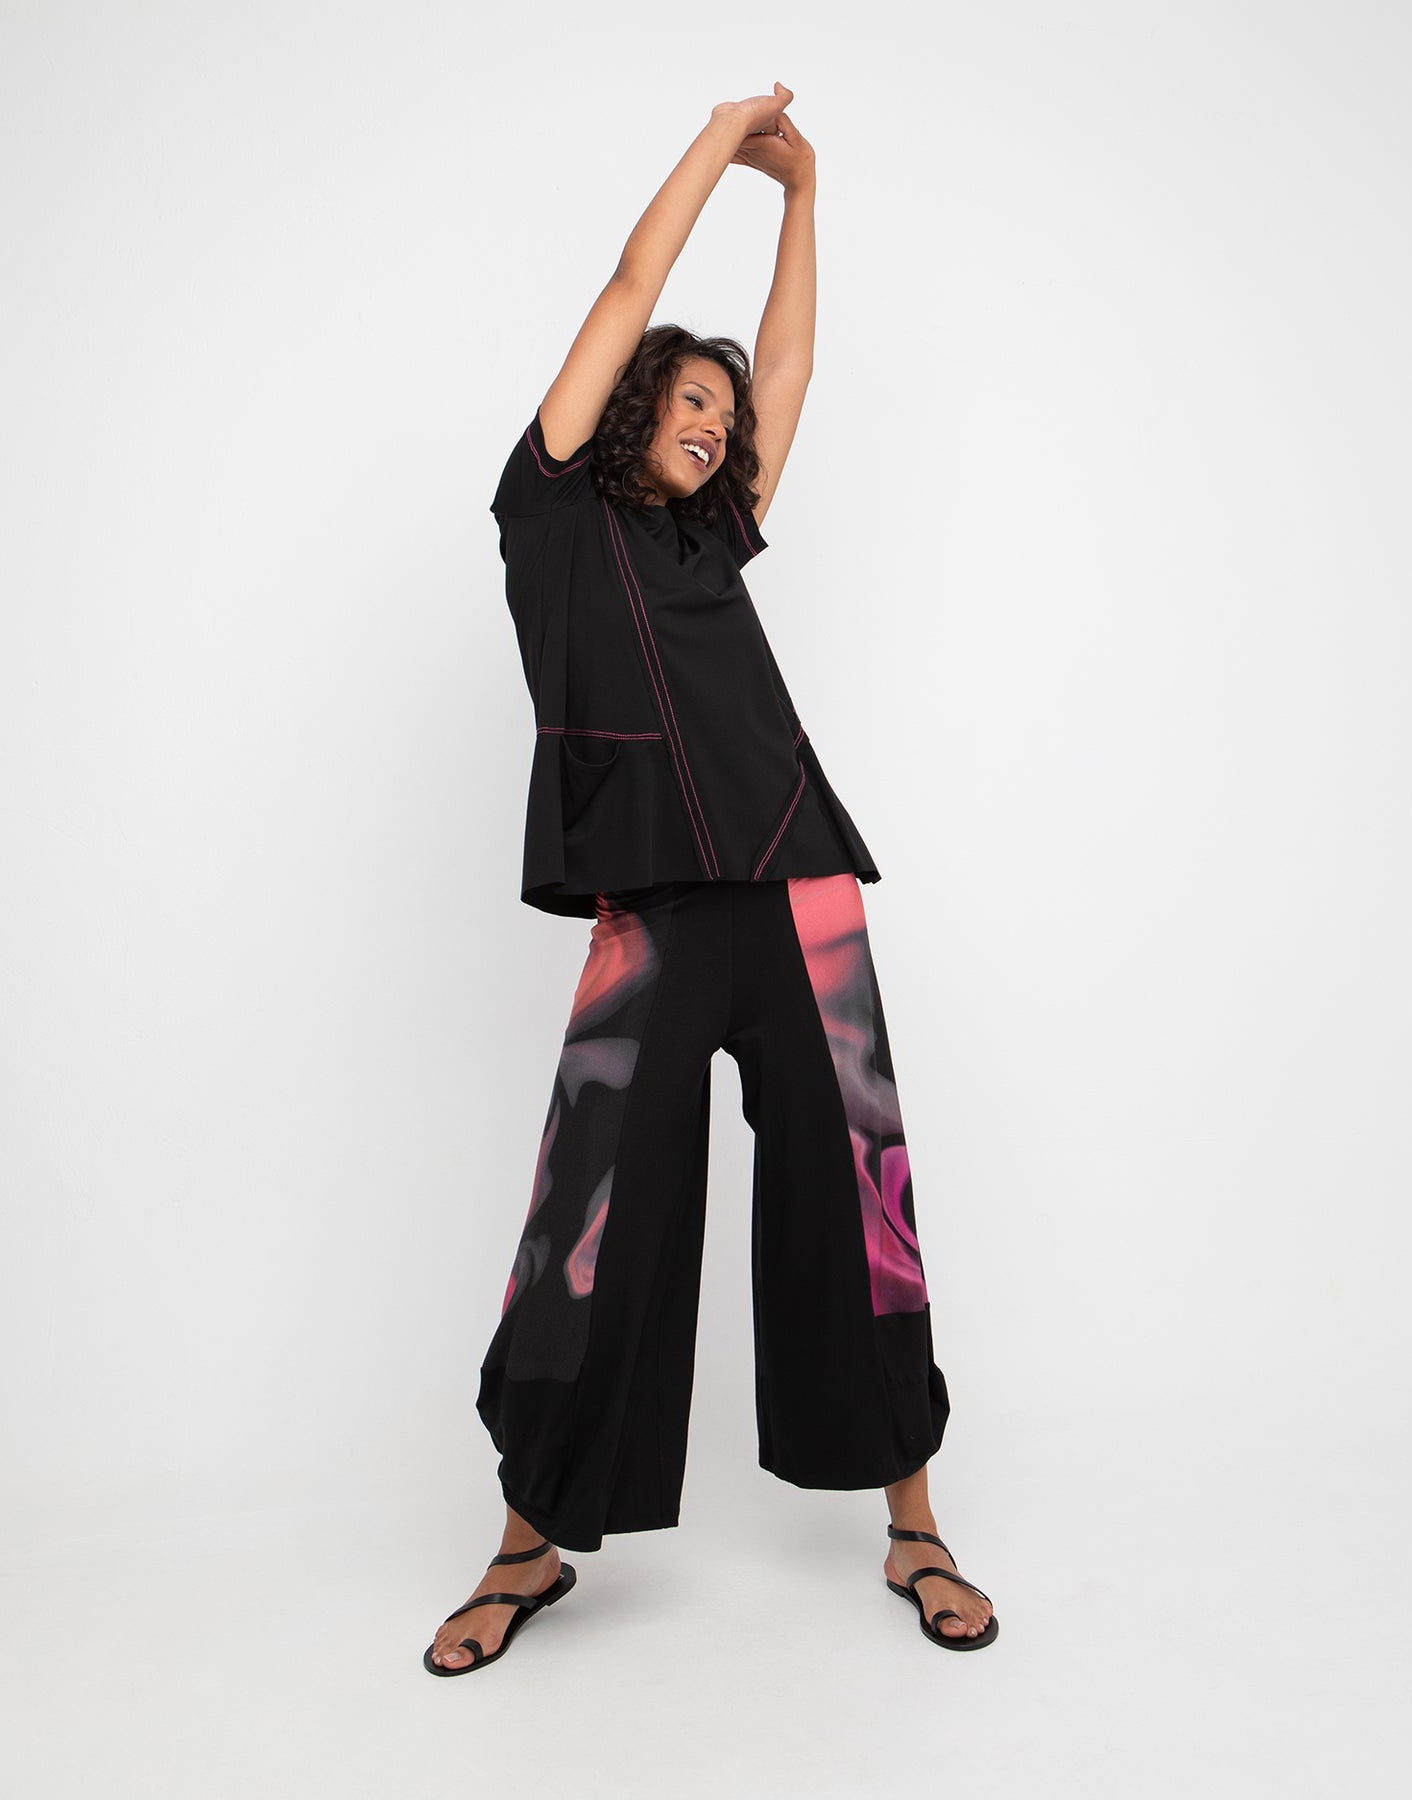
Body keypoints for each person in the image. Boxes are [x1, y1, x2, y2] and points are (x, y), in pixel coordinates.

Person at [424, 83, 998, 1677]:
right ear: (625, 409)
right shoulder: (550, 511)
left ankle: (915, 1525)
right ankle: (529, 1544)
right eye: (687, 400)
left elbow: (790, 369)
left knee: (861, 1207)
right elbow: (631, 284)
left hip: (802, 897)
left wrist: (806, 198)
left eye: (720, 416)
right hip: (653, 918)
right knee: (590, 1219)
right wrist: (726, 142)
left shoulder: (714, 536)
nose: (715, 421)